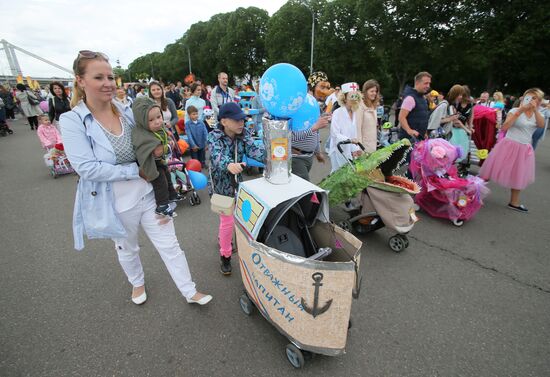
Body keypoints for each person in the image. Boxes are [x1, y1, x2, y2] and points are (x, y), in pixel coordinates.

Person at [60, 50, 211, 306]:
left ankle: (190, 290)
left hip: (150, 192)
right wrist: (134, 171)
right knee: (128, 248)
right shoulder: (72, 120)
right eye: (99, 77)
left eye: (110, 76)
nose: (108, 83)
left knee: (170, 245)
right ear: (80, 80)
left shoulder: (127, 110)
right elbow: (87, 168)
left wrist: (160, 146)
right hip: (116, 203)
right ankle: (137, 281)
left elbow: (150, 136)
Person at [207, 102, 265, 275]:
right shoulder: (214, 136)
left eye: (243, 119)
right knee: (228, 221)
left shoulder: (244, 134)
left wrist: (275, 155)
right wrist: (228, 164)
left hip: (237, 182)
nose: (242, 123)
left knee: (241, 218)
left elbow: (255, 151)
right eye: (237, 120)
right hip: (219, 185)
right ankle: (225, 255)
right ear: (224, 121)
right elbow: (216, 156)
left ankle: (224, 241)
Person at [479, 88, 545, 213]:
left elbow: (541, 125)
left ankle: (514, 202)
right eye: (529, 97)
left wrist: (535, 109)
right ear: (523, 98)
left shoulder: (538, 115)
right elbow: (504, 127)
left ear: (539, 101)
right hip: (508, 145)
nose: (531, 101)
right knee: (491, 170)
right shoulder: (515, 111)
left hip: (524, 148)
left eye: (534, 98)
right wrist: (520, 111)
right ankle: (475, 192)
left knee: (519, 174)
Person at [131, 96, 183, 216]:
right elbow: (156, 151)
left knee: (167, 175)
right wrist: (168, 147)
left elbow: (165, 136)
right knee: (160, 182)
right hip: (151, 164)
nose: (158, 121)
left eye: (159, 117)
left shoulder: (158, 129)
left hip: (159, 161)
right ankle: (162, 205)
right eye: (151, 120)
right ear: (142, 121)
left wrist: (168, 141)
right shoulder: (142, 133)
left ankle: (172, 195)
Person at [328, 82, 364, 173]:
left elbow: (353, 134)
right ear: (344, 98)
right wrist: (349, 140)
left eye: (356, 96)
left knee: (347, 174)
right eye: (351, 96)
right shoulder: (338, 112)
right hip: (338, 149)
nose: (354, 98)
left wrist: (355, 149)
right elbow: (335, 134)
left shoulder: (355, 113)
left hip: (348, 150)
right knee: (337, 174)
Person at [398, 72, 432, 142]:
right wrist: (409, 130)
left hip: (419, 139)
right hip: (408, 140)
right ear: (417, 83)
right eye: (426, 83)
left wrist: (424, 133)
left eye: (429, 83)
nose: (428, 86)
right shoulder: (410, 98)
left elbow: (422, 118)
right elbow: (401, 117)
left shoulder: (423, 98)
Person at [360, 79, 382, 152]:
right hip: (363, 146)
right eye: (372, 91)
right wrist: (359, 147)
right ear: (365, 92)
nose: (374, 93)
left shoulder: (373, 106)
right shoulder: (360, 106)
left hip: (372, 144)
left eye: (375, 91)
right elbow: (357, 128)